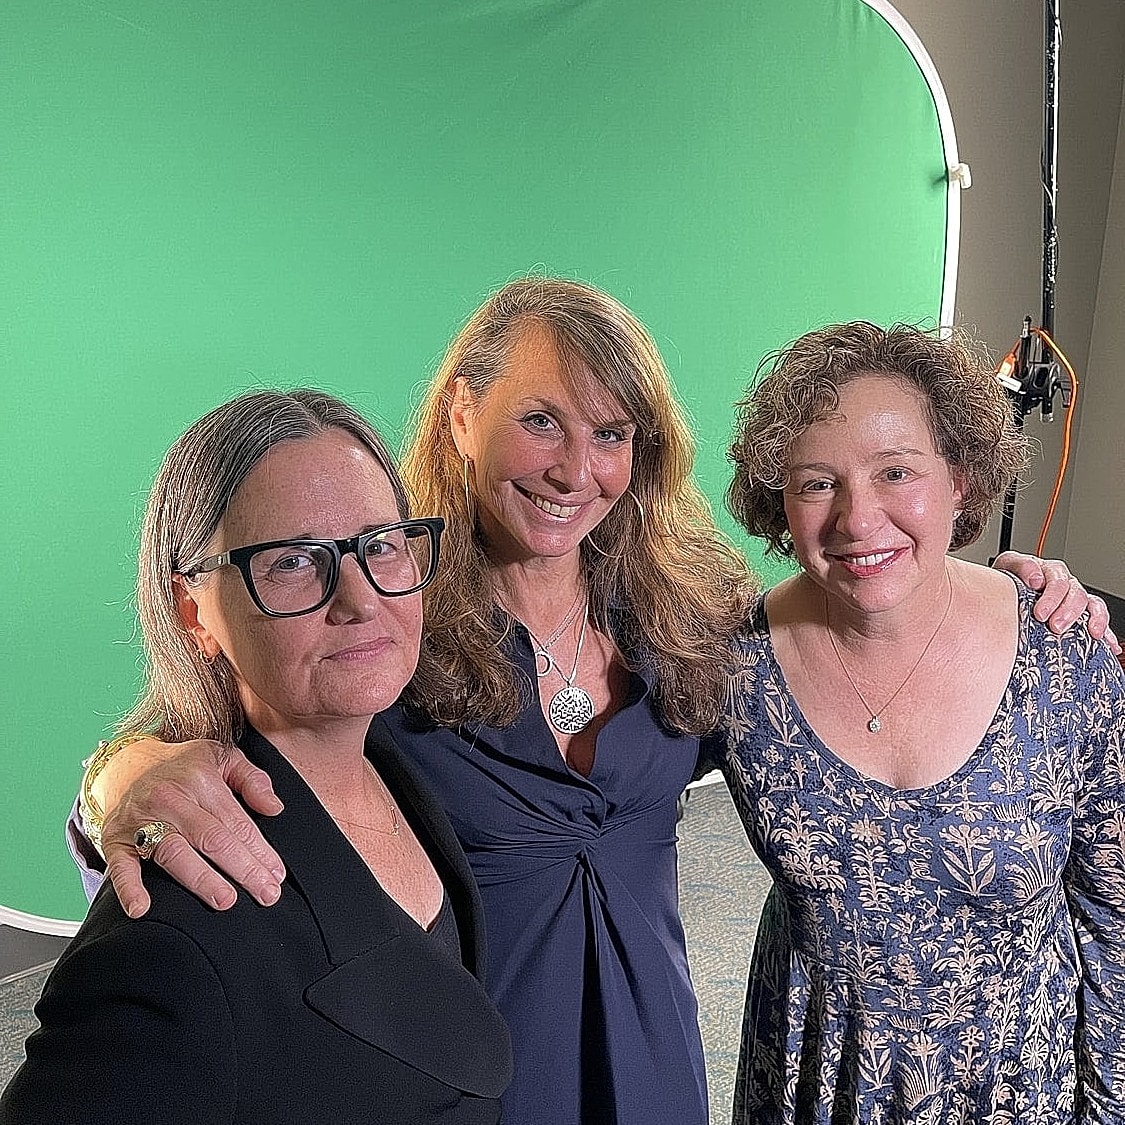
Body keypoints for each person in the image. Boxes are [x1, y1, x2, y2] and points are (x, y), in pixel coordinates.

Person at [64, 281, 1114, 1125]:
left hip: (657, 1065)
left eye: (612, 432)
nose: (577, 467)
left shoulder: (692, 623)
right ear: (463, 415)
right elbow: (223, 722)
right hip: (476, 1072)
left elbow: (865, 651)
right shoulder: (390, 610)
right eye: (539, 421)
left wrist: (1035, 591)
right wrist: (120, 779)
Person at [1, 390, 511, 1124]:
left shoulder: (404, 757)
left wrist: (113, 766)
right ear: (193, 612)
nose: (359, 598)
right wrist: (109, 776)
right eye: (294, 561)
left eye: (381, 544)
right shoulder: (168, 936)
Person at [713, 321, 1125, 1123]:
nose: (858, 520)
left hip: (1015, 1080)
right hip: (815, 1072)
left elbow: (1115, 914)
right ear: (779, 502)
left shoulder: (1061, 654)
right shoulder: (734, 666)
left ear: (960, 479)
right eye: (816, 483)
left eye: (895, 471)